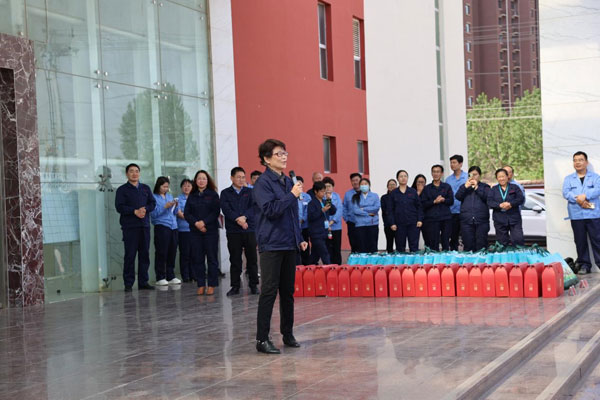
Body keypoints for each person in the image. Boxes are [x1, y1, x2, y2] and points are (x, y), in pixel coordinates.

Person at [253, 139, 308, 354]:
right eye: (279, 154)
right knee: (268, 291)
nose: (284, 157)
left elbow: (293, 213)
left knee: (288, 291)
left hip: (288, 243)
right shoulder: (263, 183)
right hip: (271, 243)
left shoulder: (286, 181)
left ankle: (288, 333)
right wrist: (292, 195)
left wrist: (299, 237)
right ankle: (262, 339)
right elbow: (270, 210)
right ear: (266, 159)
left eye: (285, 153)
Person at [115, 164, 156, 292]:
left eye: (137, 171)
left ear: (139, 173)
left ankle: (143, 282)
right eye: (131, 171)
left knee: (144, 255)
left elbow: (152, 203)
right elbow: (119, 207)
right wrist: (134, 211)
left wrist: (145, 209)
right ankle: (128, 283)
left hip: (144, 226)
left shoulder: (145, 188)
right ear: (127, 174)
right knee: (130, 255)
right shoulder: (122, 190)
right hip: (130, 227)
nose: (134, 173)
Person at [220, 167, 260, 296]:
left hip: (249, 229)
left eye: (243, 177)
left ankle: (254, 285)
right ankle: (235, 286)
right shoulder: (225, 193)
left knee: (252, 258)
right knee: (235, 259)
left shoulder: (250, 192)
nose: (241, 179)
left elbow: (254, 207)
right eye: (238, 177)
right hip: (234, 231)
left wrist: (244, 217)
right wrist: (238, 219)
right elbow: (226, 209)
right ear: (232, 178)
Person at [562, 151, 600, 275]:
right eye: (575, 160)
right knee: (580, 241)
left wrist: (585, 195)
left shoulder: (595, 177)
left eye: (580, 160)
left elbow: (598, 189)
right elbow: (566, 193)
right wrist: (578, 199)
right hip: (576, 215)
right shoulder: (568, 179)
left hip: (593, 214)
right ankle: (584, 265)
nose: (577, 162)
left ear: (586, 162)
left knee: (597, 240)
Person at [184, 170, 221, 296]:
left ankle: (211, 284)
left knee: (212, 258)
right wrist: (196, 224)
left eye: (204, 178)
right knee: (198, 258)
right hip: (195, 232)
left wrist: (204, 223)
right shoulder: (192, 195)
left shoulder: (213, 195)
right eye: (199, 178)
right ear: (195, 181)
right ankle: (200, 284)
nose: (201, 181)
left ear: (207, 180)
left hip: (210, 231)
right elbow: (187, 213)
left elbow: (215, 212)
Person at [150, 177, 181, 286]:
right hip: (162, 226)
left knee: (172, 251)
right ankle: (160, 276)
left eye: (167, 187)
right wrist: (165, 206)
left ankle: (170, 275)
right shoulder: (153, 197)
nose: (166, 189)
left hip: (173, 226)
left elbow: (175, 212)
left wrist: (176, 206)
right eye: (164, 186)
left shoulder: (169, 196)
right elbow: (153, 214)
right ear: (158, 186)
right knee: (161, 252)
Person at [385, 170, 423, 253]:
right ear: (397, 179)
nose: (403, 178)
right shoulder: (393, 193)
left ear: (407, 178)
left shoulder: (413, 191)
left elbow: (419, 207)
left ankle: (414, 261)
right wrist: (392, 223)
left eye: (405, 176)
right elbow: (390, 210)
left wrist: (420, 219)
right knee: (400, 247)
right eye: (401, 176)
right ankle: (401, 261)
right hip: (399, 224)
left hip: (413, 223)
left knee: (414, 246)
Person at [455, 166, 491, 252]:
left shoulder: (485, 187)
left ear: (479, 175)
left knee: (481, 245)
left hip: (481, 221)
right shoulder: (464, 186)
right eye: (470, 175)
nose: (473, 177)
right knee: (468, 245)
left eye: (475, 174)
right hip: (466, 221)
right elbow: (458, 196)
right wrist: (465, 187)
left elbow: (488, 198)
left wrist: (477, 188)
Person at [487, 168, 525, 246]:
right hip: (499, 219)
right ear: (497, 178)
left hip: (514, 219)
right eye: (499, 177)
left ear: (507, 176)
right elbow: (489, 202)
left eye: (503, 176)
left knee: (518, 239)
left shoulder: (515, 187)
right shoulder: (493, 189)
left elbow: (520, 199)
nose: (501, 179)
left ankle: (518, 253)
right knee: (502, 243)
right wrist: (499, 205)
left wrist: (510, 204)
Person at [421, 164, 454, 251]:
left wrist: (443, 200)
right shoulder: (426, 188)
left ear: (442, 173)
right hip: (432, 219)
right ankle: (434, 258)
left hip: (445, 218)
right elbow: (423, 204)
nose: (436, 174)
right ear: (431, 173)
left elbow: (451, 201)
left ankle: (445, 258)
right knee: (433, 243)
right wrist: (434, 202)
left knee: (445, 241)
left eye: (438, 172)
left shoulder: (447, 187)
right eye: (434, 172)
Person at [307, 181, 336, 264]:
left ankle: (309, 267)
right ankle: (329, 268)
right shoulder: (311, 203)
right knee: (324, 253)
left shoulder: (324, 201)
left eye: (324, 191)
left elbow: (333, 211)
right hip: (316, 233)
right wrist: (322, 210)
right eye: (321, 191)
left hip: (324, 231)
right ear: (316, 191)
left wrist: (329, 200)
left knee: (315, 255)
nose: (323, 193)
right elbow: (311, 217)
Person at [351, 178, 380, 253]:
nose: (364, 186)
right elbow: (355, 210)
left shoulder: (375, 196)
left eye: (365, 184)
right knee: (362, 247)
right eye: (362, 184)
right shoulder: (355, 197)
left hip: (372, 224)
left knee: (373, 246)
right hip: (360, 224)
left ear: (369, 185)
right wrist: (368, 213)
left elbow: (376, 208)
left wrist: (363, 209)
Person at [446, 155, 468, 251]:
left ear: (460, 164)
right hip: (452, 211)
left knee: (466, 235)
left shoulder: (467, 177)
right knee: (453, 236)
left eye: (454, 162)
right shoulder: (448, 180)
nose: (452, 165)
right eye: (451, 163)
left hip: (464, 211)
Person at [175, 179, 195, 282]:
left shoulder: (195, 198)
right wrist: (191, 218)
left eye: (189, 186)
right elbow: (179, 213)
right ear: (181, 187)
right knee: (185, 253)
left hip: (194, 230)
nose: (186, 187)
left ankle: (193, 275)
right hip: (183, 230)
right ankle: (185, 275)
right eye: (184, 185)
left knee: (194, 253)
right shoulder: (178, 199)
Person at [323, 177, 343, 264]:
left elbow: (339, 210)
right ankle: (329, 265)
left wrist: (332, 221)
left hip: (336, 226)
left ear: (333, 187)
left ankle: (338, 265)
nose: (328, 188)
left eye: (329, 186)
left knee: (336, 248)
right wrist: (327, 223)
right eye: (326, 186)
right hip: (325, 227)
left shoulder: (337, 196)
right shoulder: (321, 197)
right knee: (327, 248)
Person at [343, 173, 362, 253]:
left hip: (364, 223)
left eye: (357, 180)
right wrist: (346, 219)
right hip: (352, 223)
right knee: (353, 244)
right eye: (353, 180)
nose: (355, 182)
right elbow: (344, 207)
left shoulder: (366, 192)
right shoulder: (348, 194)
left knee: (363, 244)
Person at [296, 176, 311, 265]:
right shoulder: (292, 196)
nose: (298, 185)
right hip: (294, 226)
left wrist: (303, 219)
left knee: (305, 244)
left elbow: (308, 210)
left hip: (304, 226)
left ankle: (306, 265)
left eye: (300, 183)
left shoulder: (307, 196)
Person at [381, 179, 398, 253]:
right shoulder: (384, 198)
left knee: (399, 243)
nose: (392, 186)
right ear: (387, 186)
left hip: (399, 223)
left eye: (393, 184)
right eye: (390, 185)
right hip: (388, 224)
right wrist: (391, 223)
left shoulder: (399, 197)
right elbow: (385, 211)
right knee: (389, 243)